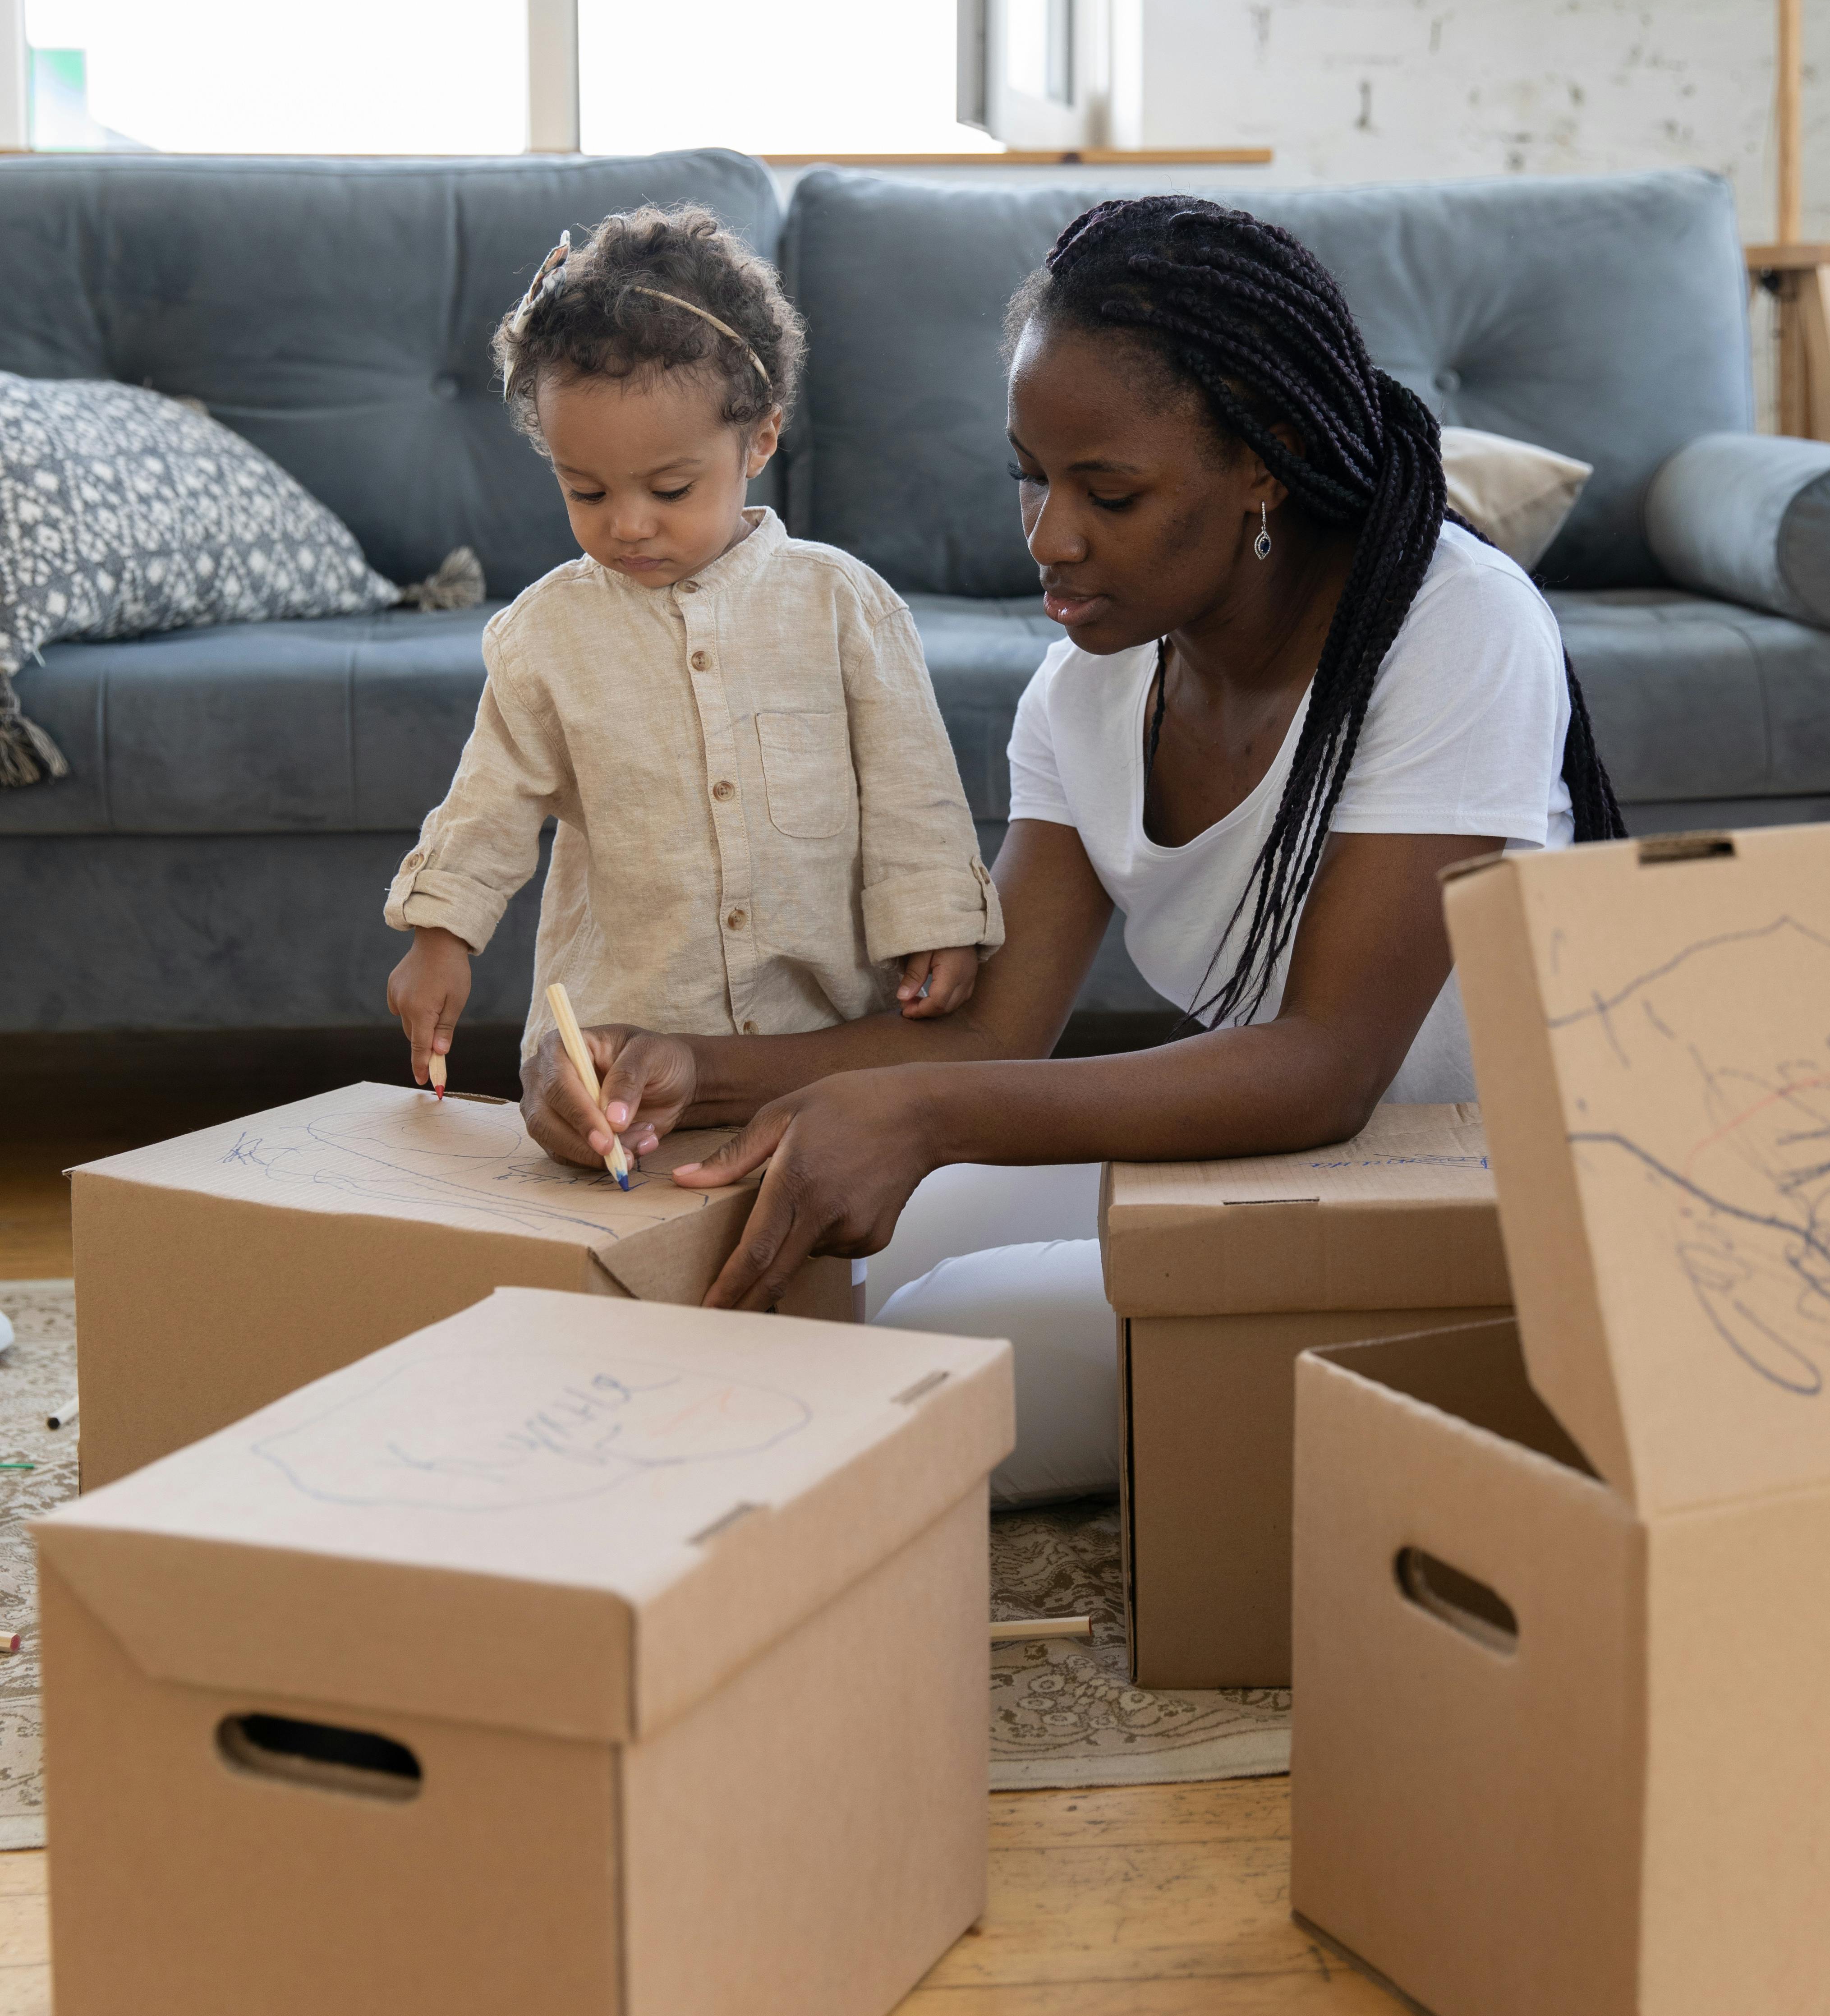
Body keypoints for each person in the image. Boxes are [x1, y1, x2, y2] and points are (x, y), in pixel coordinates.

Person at [518, 196, 1623, 1497]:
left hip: (1473, 1201)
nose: (1049, 538)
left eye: (1110, 491)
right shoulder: (1087, 693)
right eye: (1032, 477)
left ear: (1263, 464)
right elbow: (989, 1042)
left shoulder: (1455, 629)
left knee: (879, 1354)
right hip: (1280, 1171)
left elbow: (1326, 1067)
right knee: (822, 1241)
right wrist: (674, 1070)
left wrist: (917, 1114)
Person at [384, 205, 1001, 1086]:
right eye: (585, 491)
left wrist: (937, 920)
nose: (628, 523)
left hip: (820, 1044)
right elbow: (488, 804)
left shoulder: (844, 606)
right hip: (620, 1037)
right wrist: (439, 937)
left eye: (670, 488)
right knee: (589, 1158)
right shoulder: (545, 636)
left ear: (759, 439)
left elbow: (913, 791)